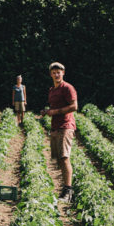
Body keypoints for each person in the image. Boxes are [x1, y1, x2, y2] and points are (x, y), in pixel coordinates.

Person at [44, 62, 77, 203]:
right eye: (54, 72)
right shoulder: (52, 90)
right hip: (55, 126)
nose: (56, 74)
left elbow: (74, 106)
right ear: (51, 74)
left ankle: (68, 190)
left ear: (63, 73)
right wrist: (47, 112)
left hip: (66, 126)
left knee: (64, 158)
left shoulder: (67, 88)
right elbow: (54, 107)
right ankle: (65, 189)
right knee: (58, 158)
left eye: (59, 72)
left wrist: (55, 112)